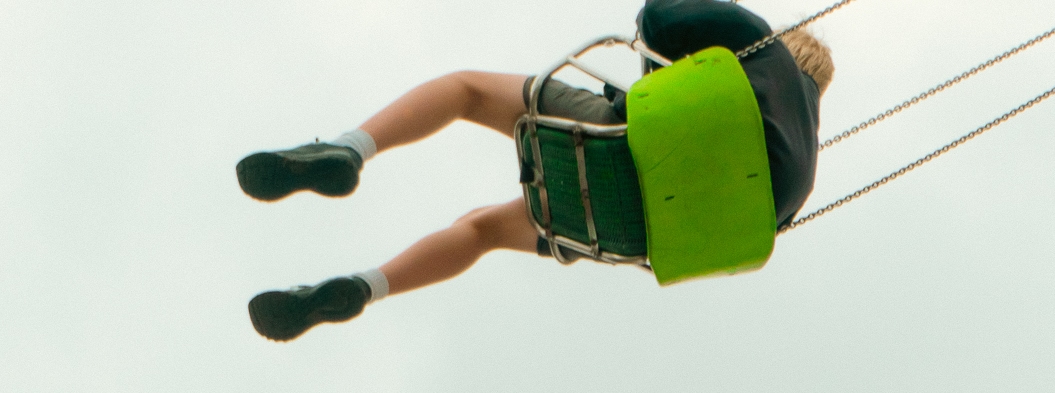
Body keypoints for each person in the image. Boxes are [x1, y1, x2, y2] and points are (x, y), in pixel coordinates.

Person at [237, 4, 834, 342]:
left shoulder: (757, 45)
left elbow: (660, 16)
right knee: (482, 231)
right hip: (624, 231)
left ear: (789, 44)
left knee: (465, 91)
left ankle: (351, 149)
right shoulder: (803, 169)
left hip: (616, 145)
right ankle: (365, 287)